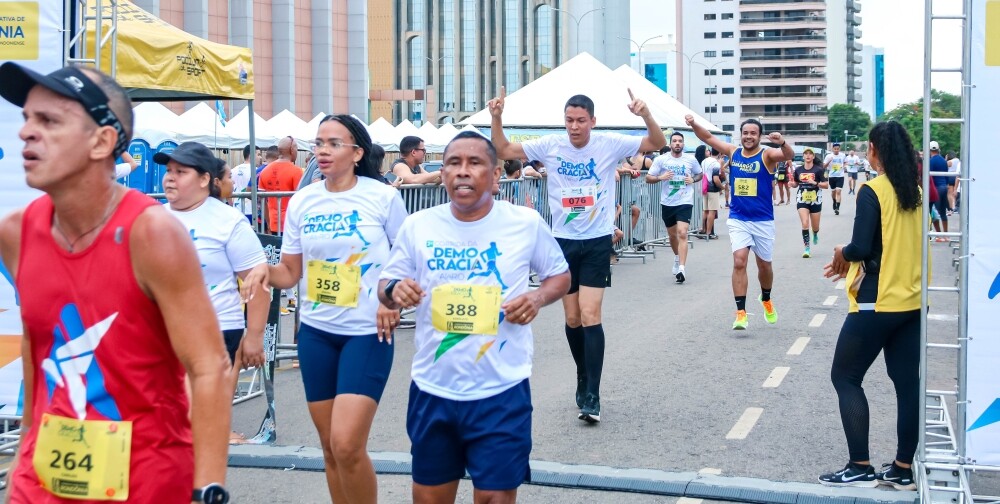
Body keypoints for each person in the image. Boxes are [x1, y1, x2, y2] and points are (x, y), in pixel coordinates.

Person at [0, 63, 231, 502]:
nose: (26, 132)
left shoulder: (153, 235)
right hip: (43, 478)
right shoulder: (15, 232)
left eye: (49, 121)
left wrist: (208, 487)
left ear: (102, 141)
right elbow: (38, 348)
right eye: (27, 118)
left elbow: (209, 367)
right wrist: (22, 458)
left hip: (145, 477)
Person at [377, 131, 571, 504]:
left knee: (494, 498)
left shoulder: (525, 223)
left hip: (501, 390)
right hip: (434, 389)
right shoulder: (419, 225)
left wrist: (537, 297)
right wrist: (394, 292)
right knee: (430, 497)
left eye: (474, 163)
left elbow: (559, 276)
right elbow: (388, 281)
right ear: (443, 173)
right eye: (453, 163)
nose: (462, 172)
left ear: (496, 176)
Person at [242, 115, 406, 504]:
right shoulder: (304, 199)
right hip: (316, 333)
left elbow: (407, 258)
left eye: (334, 143)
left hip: (366, 333)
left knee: (347, 444)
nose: (323, 151)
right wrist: (263, 269)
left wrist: (391, 299)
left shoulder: (382, 197)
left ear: (357, 152)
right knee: (329, 447)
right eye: (318, 143)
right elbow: (290, 272)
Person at [489, 87, 666, 422]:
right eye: (569, 120)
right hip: (562, 241)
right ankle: (582, 375)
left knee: (590, 314)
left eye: (581, 121)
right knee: (571, 319)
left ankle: (593, 395)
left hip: (597, 240)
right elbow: (503, 148)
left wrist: (645, 115)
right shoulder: (550, 145)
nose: (574, 126)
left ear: (593, 122)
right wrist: (497, 117)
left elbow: (654, 143)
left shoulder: (609, 144)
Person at [819, 121, 922, 491]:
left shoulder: (872, 190)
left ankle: (859, 466)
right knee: (907, 385)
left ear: (876, 150)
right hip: (912, 304)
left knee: (845, 378)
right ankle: (902, 468)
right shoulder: (916, 192)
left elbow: (861, 248)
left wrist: (840, 253)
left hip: (877, 302)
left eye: (868, 147)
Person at [158, 142, 269, 442]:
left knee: (199, 421)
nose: (169, 178)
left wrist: (254, 337)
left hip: (216, 328)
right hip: (161, 330)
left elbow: (257, 283)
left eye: (180, 172)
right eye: (168, 171)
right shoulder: (152, 217)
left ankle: (201, 480)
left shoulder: (227, 221)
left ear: (205, 179)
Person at [687, 115, 793, 330]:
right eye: (745, 133)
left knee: (764, 265)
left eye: (753, 133)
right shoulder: (733, 152)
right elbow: (707, 137)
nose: (749, 137)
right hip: (739, 218)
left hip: (763, 220)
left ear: (759, 136)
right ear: (741, 135)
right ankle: (741, 313)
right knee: (739, 261)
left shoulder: (768, 154)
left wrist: (781, 142)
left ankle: (766, 298)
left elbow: (787, 155)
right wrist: (693, 124)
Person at [645, 132, 702, 283]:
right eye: (674, 141)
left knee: (682, 233)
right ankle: (677, 257)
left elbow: (700, 174)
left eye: (680, 141)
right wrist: (660, 178)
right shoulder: (661, 160)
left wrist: (693, 179)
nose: (677, 143)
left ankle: (682, 268)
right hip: (668, 202)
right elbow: (648, 178)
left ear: (683, 144)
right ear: (670, 144)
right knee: (672, 235)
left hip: (685, 200)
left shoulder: (690, 159)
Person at [788, 148, 829, 258]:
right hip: (802, 199)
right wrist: (792, 184)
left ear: (813, 157)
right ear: (803, 156)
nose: (808, 155)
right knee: (805, 223)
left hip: (815, 200)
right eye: (806, 153)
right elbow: (796, 183)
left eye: (810, 154)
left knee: (815, 227)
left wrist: (815, 183)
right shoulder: (798, 170)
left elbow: (826, 185)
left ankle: (815, 233)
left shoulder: (819, 170)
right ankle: (807, 249)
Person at [258, 136, 303, 234]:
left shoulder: (265, 171)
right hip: (292, 225)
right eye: (296, 149)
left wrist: (269, 223)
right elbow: (301, 201)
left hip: (273, 224)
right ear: (292, 149)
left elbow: (262, 201)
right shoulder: (297, 172)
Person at [702, 146, 725, 240]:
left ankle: (703, 230)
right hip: (713, 189)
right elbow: (716, 179)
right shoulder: (716, 164)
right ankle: (709, 233)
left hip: (704, 187)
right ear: (719, 153)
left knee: (705, 210)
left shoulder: (704, 161)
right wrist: (722, 187)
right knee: (712, 211)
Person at [232, 144, 260, 221]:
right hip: (252, 211)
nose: (260, 157)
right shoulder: (257, 171)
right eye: (258, 154)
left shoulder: (233, 170)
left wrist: (232, 204)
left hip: (236, 210)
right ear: (251, 156)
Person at [928, 141, 950, 237]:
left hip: (935, 189)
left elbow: (929, 177)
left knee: (932, 212)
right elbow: (946, 175)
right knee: (943, 212)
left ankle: (938, 234)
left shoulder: (930, 161)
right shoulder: (943, 161)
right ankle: (945, 234)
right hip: (944, 187)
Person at [824, 142, 847, 215]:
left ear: (839, 149)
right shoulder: (828, 156)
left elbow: (845, 162)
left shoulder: (843, 155)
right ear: (832, 149)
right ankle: (834, 201)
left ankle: (837, 208)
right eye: (835, 149)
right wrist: (829, 161)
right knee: (833, 192)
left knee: (838, 191)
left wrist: (844, 166)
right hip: (832, 176)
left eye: (838, 149)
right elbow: (824, 166)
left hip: (840, 176)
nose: (836, 150)